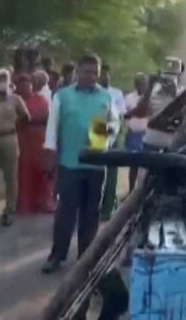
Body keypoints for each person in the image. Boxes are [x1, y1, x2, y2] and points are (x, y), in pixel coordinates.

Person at [41, 53, 119, 274]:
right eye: (87, 72)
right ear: (78, 72)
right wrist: (50, 152)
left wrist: (105, 138)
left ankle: (86, 258)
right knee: (66, 211)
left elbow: (114, 122)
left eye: (95, 72)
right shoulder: (62, 96)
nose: (91, 76)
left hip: (96, 163)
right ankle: (57, 256)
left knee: (91, 213)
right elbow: (52, 127)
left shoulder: (106, 97)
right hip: (69, 163)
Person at [0, 70, 28, 226]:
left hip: (9, 138)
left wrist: (13, 127)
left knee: (11, 177)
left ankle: (9, 210)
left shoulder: (15, 99)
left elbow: (25, 117)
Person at [16, 71, 53, 214]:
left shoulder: (41, 99)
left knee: (41, 171)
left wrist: (29, 119)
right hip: (23, 140)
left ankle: (43, 203)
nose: (26, 87)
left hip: (39, 139)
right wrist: (32, 119)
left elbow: (47, 116)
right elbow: (17, 121)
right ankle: (26, 205)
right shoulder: (17, 100)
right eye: (22, 85)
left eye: (28, 84)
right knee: (25, 172)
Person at [98, 64, 126, 220]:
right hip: (95, 133)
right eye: (102, 74)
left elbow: (120, 116)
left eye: (107, 74)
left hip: (112, 135)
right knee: (97, 173)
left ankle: (107, 208)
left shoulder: (116, 93)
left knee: (112, 175)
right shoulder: (93, 94)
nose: (105, 77)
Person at [123, 73, 150, 193]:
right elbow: (124, 115)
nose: (141, 85)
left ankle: (142, 192)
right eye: (139, 83)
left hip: (147, 135)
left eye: (143, 82)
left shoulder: (151, 98)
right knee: (133, 164)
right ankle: (131, 191)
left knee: (145, 165)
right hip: (133, 134)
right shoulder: (129, 98)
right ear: (135, 84)